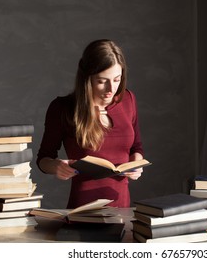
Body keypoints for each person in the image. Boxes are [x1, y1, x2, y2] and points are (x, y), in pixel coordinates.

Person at [37, 39, 145, 208]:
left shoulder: (128, 100)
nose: (111, 89)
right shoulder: (62, 108)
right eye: (102, 81)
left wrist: (136, 165)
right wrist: (56, 166)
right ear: (87, 78)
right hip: (83, 210)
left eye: (117, 79)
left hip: (122, 208)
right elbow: (43, 159)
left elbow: (136, 148)